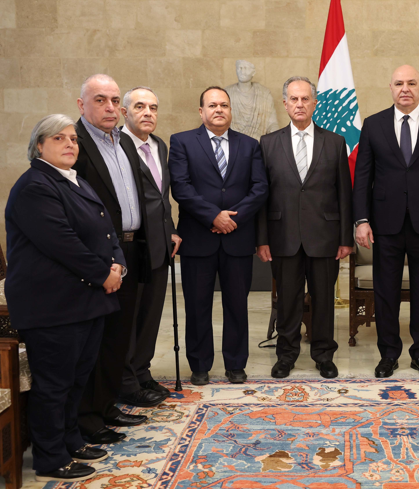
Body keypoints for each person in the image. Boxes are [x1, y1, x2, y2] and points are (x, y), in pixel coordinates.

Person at [5, 114, 125, 481]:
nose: (70, 144)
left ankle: (70, 439)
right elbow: (62, 243)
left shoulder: (74, 180)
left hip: (84, 300)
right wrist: (103, 274)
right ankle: (50, 457)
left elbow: (106, 229)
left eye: (73, 138)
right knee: (54, 385)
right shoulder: (34, 186)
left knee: (77, 379)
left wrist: (118, 264)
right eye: (59, 138)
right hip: (52, 303)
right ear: (39, 146)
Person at [352, 65, 419, 379]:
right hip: (384, 224)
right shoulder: (373, 124)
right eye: (399, 83)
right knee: (385, 292)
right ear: (390, 87)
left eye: (411, 83)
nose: (405, 88)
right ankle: (389, 354)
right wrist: (361, 220)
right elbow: (363, 177)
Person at [168, 86, 268, 385]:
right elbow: (181, 187)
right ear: (201, 111)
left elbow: (260, 187)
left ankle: (236, 364)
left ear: (230, 110)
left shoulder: (250, 145)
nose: (219, 110)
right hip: (198, 238)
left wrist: (232, 219)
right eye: (212, 105)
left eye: (224, 105)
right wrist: (213, 216)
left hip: (237, 238)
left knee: (237, 305)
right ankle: (199, 365)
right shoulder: (182, 142)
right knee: (197, 306)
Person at [256, 76, 353, 379]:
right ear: (285, 104)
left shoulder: (335, 142)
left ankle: (324, 355)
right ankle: (286, 356)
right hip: (283, 237)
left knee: (324, 300)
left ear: (314, 103)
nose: (300, 104)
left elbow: (344, 194)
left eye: (305, 99)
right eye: (294, 99)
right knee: (288, 302)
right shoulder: (268, 143)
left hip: (325, 237)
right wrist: (262, 239)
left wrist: (346, 238)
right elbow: (262, 196)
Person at [72, 74, 150, 444]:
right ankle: (86, 418)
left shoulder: (125, 142)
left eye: (115, 100)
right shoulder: (74, 143)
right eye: (100, 100)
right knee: (96, 340)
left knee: (119, 337)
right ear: (81, 105)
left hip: (130, 250)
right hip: (98, 257)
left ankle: (107, 405)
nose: (110, 107)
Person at [119, 87, 181, 405]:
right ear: (125, 112)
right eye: (140, 106)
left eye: (153, 107)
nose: (147, 113)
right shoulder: (116, 146)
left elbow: (161, 197)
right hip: (132, 247)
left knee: (151, 314)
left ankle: (142, 372)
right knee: (129, 318)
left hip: (159, 245)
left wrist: (171, 230)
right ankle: (126, 381)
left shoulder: (159, 145)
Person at [226, 60, 279, 141]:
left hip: (257, 144)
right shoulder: (227, 93)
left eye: (246, 68)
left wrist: (276, 139)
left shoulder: (264, 94)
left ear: (253, 73)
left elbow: (272, 123)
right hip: (232, 142)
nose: (242, 71)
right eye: (240, 68)